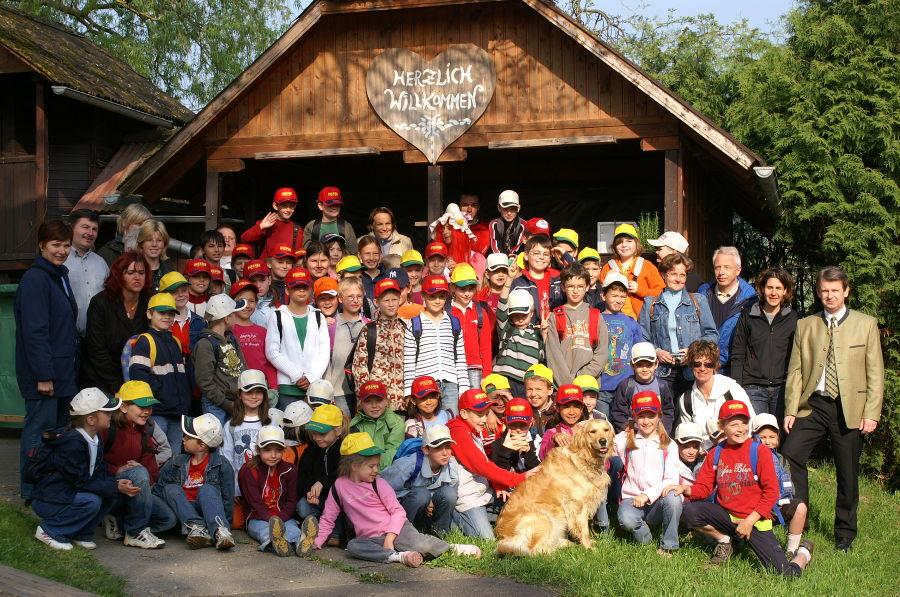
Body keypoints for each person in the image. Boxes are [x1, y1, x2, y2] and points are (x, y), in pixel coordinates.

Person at [781, 266, 883, 552]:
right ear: (818, 292)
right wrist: (791, 409)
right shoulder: (806, 324)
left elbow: (875, 371)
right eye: (824, 291)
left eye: (835, 291)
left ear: (846, 292)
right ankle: (799, 519)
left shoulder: (866, 324)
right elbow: (796, 370)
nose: (829, 296)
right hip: (813, 404)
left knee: (847, 473)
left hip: (849, 408)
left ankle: (845, 535)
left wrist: (871, 413)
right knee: (791, 454)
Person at [670, 400, 814, 576]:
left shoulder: (759, 451)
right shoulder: (716, 453)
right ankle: (725, 540)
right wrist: (687, 490)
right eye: (734, 424)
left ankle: (804, 553)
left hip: (755, 521)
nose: (741, 429)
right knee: (690, 511)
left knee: (786, 574)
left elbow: (771, 492)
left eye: (744, 423)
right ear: (721, 426)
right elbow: (704, 488)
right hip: (727, 517)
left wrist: (749, 522)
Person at [311, 432, 481, 565]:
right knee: (354, 546)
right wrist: (317, 542)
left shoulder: (379, 484)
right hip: (370, 538)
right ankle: (399, 556)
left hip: (397, 530)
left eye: (377, 465)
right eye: (371, 466)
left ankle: (453, 549)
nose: (376, 470)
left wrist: (390, 538)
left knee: (422, 545)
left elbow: (398, 512)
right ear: (354, 466)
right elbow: (328, 518)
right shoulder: (339, 487)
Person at [15, 220, 80, 501]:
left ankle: (48, 489)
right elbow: (35, 331)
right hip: (45, 375)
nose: (62, 250)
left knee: (56, 434)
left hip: (63, 372)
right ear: (41, 245)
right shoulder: (35, 279)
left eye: (66, 245)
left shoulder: (59, 275)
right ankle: (30, 492)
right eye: (56, 244)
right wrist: (43, 375)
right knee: (38, 434)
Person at [30, 389, 135, 550]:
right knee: (91, 501)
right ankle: (50, 530)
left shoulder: (96, 437)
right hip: (49, 499)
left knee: (109, 494)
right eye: (106, 413)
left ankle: (82, 534)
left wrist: (115, 483)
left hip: (67, 494)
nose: (111, 416)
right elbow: (80, 481)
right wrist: (114, 486)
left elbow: (98, 469)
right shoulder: (73, 443)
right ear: (91, 419)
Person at [101, 381, 177, 549]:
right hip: (110, 488)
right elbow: (92, 464)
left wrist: (141, 476)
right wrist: (117, 471)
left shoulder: (145, 431)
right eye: (141, 406)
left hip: (135, 492)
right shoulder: (107, 427)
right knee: (138, 472)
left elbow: (152, 474)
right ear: (124, 407)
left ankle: (119, 523)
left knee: (168, 519)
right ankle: (135, 532)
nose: (147, 411)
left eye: (149, 407)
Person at [447, 389, 530, 539]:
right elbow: (480, 466)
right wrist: (519, 478)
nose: (485, 420)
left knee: (517, 517)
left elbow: (484, 464)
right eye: (480, 415)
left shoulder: (471, 427)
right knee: (488, 540)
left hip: (482, 492)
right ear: (464, 413)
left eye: (486, 414)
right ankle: (449, 520)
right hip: (466, 499)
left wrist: (498, 485)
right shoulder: (458, 431)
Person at [638, 252, 718, 397]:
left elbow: (712, 334)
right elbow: (642, 337)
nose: (678, 279)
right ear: (663, 275)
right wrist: (657, 352)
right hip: (662, 372)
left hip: (692, 371)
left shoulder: (698, 301)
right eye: (673, 274)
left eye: (682, 275)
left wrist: (694, 351)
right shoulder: (651, 303)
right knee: (666, 416)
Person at [614, 391, 682, 556]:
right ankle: (646, 540)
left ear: (659, 415)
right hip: (632, 498)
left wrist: (647, 495)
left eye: (651, 416)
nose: (646, 421)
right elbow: (603, 444)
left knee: (673, 498)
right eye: (641, 416)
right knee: (627, 520)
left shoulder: (669, 444)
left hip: (658, 500)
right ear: (634, 417)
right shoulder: (624, 439)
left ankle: (669, 545)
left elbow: (671, 479)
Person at [155, 414, 235, 549]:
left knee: (206, 489)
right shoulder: (176, 462)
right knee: (170, 489)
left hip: (209, 510)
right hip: (183, 513)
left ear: (202, 445)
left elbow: (227, 498)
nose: (183, 439)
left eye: (188, 437)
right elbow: (158, 491)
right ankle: (197, 527)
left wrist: (226, 522)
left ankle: (219, 531)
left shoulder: (222, 464)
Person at [730, 267, 798, 418]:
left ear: (785, 291)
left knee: (778, 437)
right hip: (753, 387)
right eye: (770, 287)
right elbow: (738, 353)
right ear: (762, 289)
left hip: (782, 388)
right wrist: (736, 387)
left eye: (778, 288)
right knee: (756, 434)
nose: (774, 293)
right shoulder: (748, 316)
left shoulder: (793, 318)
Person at [127, 292, 192, 448]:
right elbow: (139, 378)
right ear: (149, 314)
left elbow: (183, 377)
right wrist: (162, 394)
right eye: (161, 312)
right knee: (158, 455)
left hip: (177, 412)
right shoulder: (145, 341)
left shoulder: (176, 342)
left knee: (174, 457)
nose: (167, 317)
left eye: (171, 313)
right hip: (157, 412)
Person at [81, 251, 151, 395]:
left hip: (137, 379)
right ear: (119, 276)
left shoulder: (149, 302)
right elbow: (96, 350)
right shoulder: (100, 303)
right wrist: (118, 387)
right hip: (100, 380)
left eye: (141, 272)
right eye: (130, 272)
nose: (137, 277)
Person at [265, 267, 330, 411]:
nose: (301, 291)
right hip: (287, 387)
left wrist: (311, 377)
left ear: (310, 290)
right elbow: (272, 351)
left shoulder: (318, 316)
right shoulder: (277, 315)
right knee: (289, 431)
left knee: (312, 431)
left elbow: (324, 352)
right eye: (296, 287)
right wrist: (296, 374)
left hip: (314, 388)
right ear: (287, 290)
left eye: (305, 287)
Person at [403, 275, 470, 415]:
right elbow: (409, 362)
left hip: (451, 383)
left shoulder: (454, 323)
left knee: (452, 423)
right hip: (424, 385)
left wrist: (464, 388)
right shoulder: (414, 324)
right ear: (423, 296)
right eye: (432, 296)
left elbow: (461, 359)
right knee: (427, 427)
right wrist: (409, 392)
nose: (437, 301)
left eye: (441, 296)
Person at [238, 425, 308, 556]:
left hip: (284, 516)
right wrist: (272, 521)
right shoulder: (249, 470)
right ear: (258, 450)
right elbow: (255, 502)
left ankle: (299, 542)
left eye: (278, 450)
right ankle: (276, 543)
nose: (273, 455)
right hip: (258, 518)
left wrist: (281, 519)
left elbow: (292, 499)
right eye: (267, 450)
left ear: (284, 450)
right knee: (264, 531)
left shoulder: (290, 470)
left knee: (292, 528)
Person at [381, 424, 460, 535]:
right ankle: (404, 534)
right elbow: (382, 489)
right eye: (437, 447)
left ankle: (438, 534)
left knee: (450, 493)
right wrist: (426, 498)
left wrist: (431, 499)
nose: (445, 453)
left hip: (430, 514)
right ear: (426, 450)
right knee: (421, 494)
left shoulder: (451, 469)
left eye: (447, 446)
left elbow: (451, 495)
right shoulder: (408, 465)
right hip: (405, 514)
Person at [676, 340, 755, 447]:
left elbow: (751, 423)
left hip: (736, 450)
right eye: (697, 364)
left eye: (708, 364)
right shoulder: (686, 399)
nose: (702, 368)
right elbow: (687, 434)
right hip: (703, 457)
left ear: (715, 367)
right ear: (690, 366)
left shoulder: (731, 389)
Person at [753, 413, 809, 559]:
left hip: (778, 505)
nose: (767, 441)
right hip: (755, 509)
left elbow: (790, 487)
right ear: (754, 437)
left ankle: (792, 550)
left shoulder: (782, 460)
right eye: (762, 437)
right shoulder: (750, 457)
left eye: (772, 437)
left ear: (778, 438)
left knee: (800, 507)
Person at [546, 263, 609, 387]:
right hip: (562, 385)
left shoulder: (596, 316)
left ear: (587, 287)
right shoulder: (555, 316)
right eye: (570, 286)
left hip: (589, 386)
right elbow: (553, 356)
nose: (575, 291)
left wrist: (581, 379)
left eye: (580, 286)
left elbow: (601, 354)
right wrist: (567, 383)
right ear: (563, 287)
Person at [697, 247, 758, 372]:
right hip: (702, 368)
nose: (721, 272)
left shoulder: (750, 300)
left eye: (727, 267)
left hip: (733, 370)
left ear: (738, 270)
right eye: (717, 267)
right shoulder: (701, 294)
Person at [351, 278, 407, 411]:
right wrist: (366, 401)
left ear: (400, 300)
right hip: (376, 404)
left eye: (394, 299)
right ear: (376, 302)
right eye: (386, 300)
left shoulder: (406, 328)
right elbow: (360, 368)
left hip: (403, 404)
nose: (391, 304)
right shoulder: (369, 330)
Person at [193, 294, 248, 425]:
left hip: (236, 402)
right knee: (216, 440)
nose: (236, 317)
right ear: (227, 318)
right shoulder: (205, 344)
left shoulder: (232, 339)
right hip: (215, 404)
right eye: (234, 314)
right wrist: (226, 403)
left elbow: (243, 368)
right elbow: (204, 381)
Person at [222, 370, 272, 512]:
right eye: (249, 392)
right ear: (239, 394)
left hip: (266, 488)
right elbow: (228, 460)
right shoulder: (231, 425)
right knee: (237, 522)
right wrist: (234, 488)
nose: (254, 396)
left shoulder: (271, 423)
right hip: (240, 488)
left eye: (258, 392)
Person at [297, 404, 346, 547]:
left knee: (339, 503)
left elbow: (343, 474)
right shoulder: (310, 451)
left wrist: (322, 483)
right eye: (314, 433)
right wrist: (309, 492)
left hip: (338, 502)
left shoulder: (345, 448)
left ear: (337, 431)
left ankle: (336, 534)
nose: (317, 438)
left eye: (322, 433)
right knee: (302, 506)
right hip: (319, 502)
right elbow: (302, 479)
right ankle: (317, 529)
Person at [596, 273, 644, 416]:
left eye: (622, 296)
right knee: (603, 427)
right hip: (602, 386)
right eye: (614, 296)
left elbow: (638, 351)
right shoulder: (596, 319)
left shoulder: (631, 322)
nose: (618, 300)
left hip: (626, 386)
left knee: (624, 426)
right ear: (603, 295)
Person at [324, 277, 369, 417]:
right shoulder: (330, 326)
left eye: (359, 296)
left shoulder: (369, 325)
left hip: (364, 390)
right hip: (338, 391)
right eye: (350, 296)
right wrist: (327, 391)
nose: (355, 300)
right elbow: (327, 361)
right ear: (340, 299)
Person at [600, 223, 664, 320]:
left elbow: (661, 293)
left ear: (636, 244)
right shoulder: (607, 267)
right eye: (619, 242)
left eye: (629, 241)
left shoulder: (647, 266)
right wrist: (605, 283)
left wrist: (640, 290)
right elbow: (600, 295)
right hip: (613, 321)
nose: (624, 245)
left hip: (640, 323)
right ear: (614, 246)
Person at [610, 342, 676, 434]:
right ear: (632, 365)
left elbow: (668, 411)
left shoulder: (663, 386)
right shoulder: (625, 386)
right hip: (632, 434)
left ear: (656, 364)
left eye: (649, 365)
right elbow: (618, 413)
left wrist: (663, 432)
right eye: (640, 365)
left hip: (656, 434)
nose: (645, 369)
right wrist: (628, 433)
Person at [494, 282, 545, 399]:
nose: (520, 319)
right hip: (505, 379)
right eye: (516, 315)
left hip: (526, 382)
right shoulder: (507, 329)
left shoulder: (537, 334)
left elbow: (543, 358)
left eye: (524, 314)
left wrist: (545, 334)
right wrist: (507, 283)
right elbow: (501, 308)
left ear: (532, 312)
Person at [65, 209, 108, 337]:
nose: (90, 233)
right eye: (85, 227)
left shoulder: (101, 262)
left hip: (96, 338)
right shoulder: (61, 260)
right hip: (67, 337)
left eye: (94, 229)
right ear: (71, 228)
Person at [230, 281, 278, 391]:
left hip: (260, 389)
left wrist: (274, 388)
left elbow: (270, 363)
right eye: (242, 301)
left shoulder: (263, 332)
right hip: (235, 389)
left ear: (256, 303)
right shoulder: (227, 331)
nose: (246, 305)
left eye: (251, 301)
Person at [350, 381, 405, 470]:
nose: (374, 405)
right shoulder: (355, 425)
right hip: (363, 472)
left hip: (390, 470)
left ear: (386, 401)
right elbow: (357, 455)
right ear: (360, 404)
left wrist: (377, 473)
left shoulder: (397, 422)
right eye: (368, 401)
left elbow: (393, 450)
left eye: (379, 400)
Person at [509, 235, 563, 324]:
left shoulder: (557, 280)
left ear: (550, 258)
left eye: (546, 254)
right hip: (531, 333)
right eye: (537, 253)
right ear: (526, 255)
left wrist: (565, 258)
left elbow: (579, 278)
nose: (541, 257)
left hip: (555, 330)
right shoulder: (518, 284)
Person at [240, 187, 304, 260]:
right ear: (275, 206)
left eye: (291, 206)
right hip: (265, 270)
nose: (288, 209)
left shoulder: (297, 229)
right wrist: (261, 227)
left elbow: (298, 256)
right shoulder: (265, 223)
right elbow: (244, 239)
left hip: (286, 268)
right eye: (284, 205)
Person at [159, 272, 206, 365]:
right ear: (163, 295)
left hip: (194, 376)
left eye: (184, 290)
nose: (181, 295)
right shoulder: (159, 324)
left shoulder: (201, 322)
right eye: (174, 292)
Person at [538, 384, 590, 461]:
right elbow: (543, 457)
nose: (572, 412)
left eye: (576, 407)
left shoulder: (590, 430)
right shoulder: (552, 432)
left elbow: (605, 464)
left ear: (582, 409)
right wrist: (553, 440)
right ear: (557, 408)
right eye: (566, 407)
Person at [490, 397, 540, 473]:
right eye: (513, 425)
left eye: (523, 425)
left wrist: (528, 453)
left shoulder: (538, 441)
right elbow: (497, 474)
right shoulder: (497, 444)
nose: (518, 429)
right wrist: (505, 451)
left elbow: (542, 474)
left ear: (531, 423)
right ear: (506, 423)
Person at [303, 186, 358, 254]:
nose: (334, 208)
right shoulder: (312, 226)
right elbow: (306, 253)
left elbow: (353, 252)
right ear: (320, 206)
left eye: (337, 205)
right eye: (330, 205)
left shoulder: (346, 226)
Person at [135, 219, 173, 292]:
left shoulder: (171, 274)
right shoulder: (133, 273)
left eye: (159, 240)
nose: (154, 244)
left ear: (164, 244)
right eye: (149, 240)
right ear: (141, 243)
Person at [488, 190, 525, 256]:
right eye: (505, 209)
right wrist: (502, 261)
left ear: (518, 208)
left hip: (517, 259)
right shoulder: (494, 224)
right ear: (499, 208)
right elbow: (496, 246)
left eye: (513, 209)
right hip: (500, 259)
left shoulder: (524, 224)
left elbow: (518, 246)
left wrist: (511, 259)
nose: (509, 213)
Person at [672, 421, 704, 486]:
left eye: (696, 446)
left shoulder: (707, 460)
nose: (691, 452)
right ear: (676, 443)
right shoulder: (670, 465)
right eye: (686, 447)